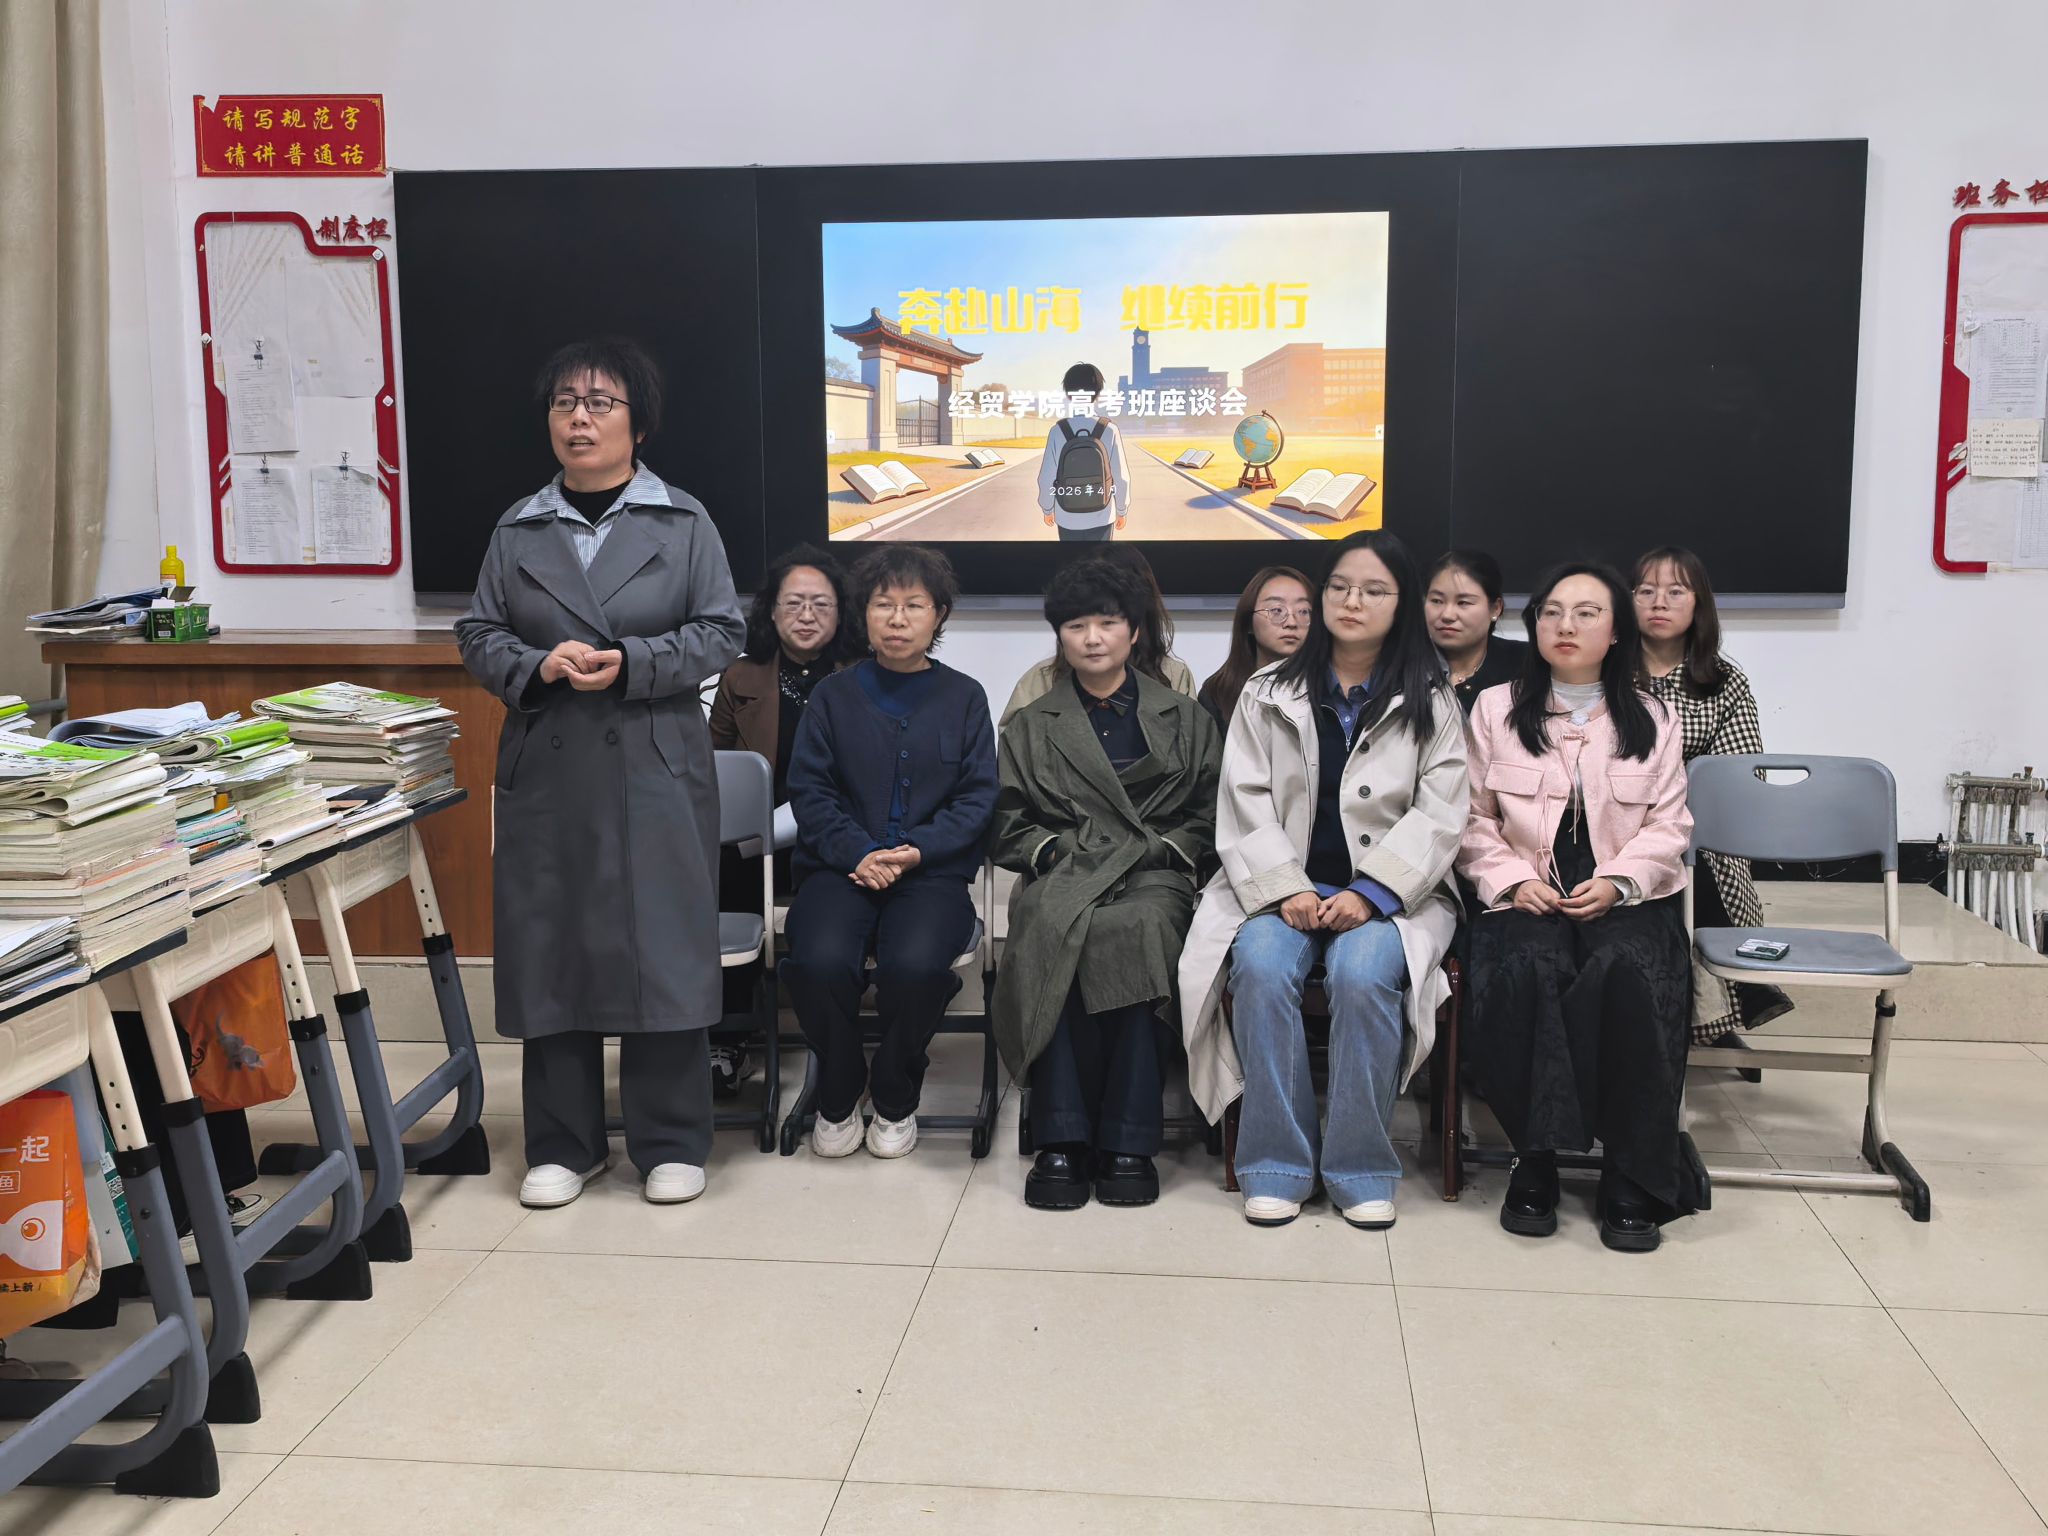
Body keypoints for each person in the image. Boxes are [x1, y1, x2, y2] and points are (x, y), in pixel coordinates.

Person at [457, 336, 745, 1210]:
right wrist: (537, 666)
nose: (578, 420)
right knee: (551, 948)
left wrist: (633, 662)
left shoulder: (684, 522)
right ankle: (564, 1144)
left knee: (663, 946)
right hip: (549, 764)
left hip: (654, 759)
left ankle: (671, 1140)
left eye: (599, 404)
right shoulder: (519, 525)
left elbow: (721, 631)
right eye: (564, 404)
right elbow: (479, 633)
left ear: (637, 425)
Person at [1179, 531, 1468, 1230]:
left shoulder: (1431, 697)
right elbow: (1243, 800)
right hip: (1278, 893)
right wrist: (1288, 888)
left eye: (1373, 590)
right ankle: (1276, 1165)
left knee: (1363, 974)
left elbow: (1441, 812)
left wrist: (1371, 893)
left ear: (1400, 605)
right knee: (1259, 965)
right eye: (1338, 587)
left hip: (1393, 898)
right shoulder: (1266, 691)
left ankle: (1360, 1168)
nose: (1351, 601)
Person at [1459, 563, 1697, 1252]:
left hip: (1625, 894)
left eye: (1587, 613)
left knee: (1628, 970)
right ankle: (1534, 1159)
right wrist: (1511, 882)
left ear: (1616, 631)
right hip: (1525, 892)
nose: (1566, 625)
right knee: (1528, 969)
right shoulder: (1495, 708)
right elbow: (1471, 820)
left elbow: (1670, 826)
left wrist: (1619, 881)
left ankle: (1630, 1168)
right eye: (1552, 611)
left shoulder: (1654, 717)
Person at [993, 559, 1222, 1210]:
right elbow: (1007, 822)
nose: (1092, 638)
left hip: (1151, 874)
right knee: (1054, 924)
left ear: (1134, 631)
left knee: (1140, 928)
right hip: (1066, 869)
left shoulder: (1185, 717)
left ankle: (1128, 1140)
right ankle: (1061, 1139)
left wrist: (1162, 850)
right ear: (1059, 636)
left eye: (1107, 622)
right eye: (1076, 625)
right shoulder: (1032, 723)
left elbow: (1210, 814)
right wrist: (1057, 850)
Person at [782, 544, 998, 1158]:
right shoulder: (832, 696)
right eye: (883, 605)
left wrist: (916, 851)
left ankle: (896, 1093)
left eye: (913, 606)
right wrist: (859, 852)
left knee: (917, 967)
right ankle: (839, 1087)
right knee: (817, 959)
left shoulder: (964, 697)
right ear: (864, 613)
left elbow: (978, 798)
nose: (897, 619)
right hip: (840, 871)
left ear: (939, 615)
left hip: (930, 876)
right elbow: (810, 792)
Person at [705, 544, 862, 1096]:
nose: (806, 615)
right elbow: (715, 768)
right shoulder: (740, 676)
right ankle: (727, 1037)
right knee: (724, 872)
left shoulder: (864, 674)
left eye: (821, 604)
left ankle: (846, 1036)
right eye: (793, 603)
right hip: (759, 838)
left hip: (841, 834)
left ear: (841, 612)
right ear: (771, 611)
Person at [1630, 545, 1791, 1051]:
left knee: (1696, 857)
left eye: (1675, 591)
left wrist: (1673, 803)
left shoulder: (1723, 680)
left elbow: (1737, 776)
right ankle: (1717, 1004)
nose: (1659, 602)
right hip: (1618, 825)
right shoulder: (1606, 672)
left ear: (1698, 604)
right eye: (1646, 591)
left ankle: (1714, 1013)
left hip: (1697, 829)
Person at [1000, 545, 1195, 724]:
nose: (1093, 638)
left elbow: (1193, 742)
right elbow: (1016, 745)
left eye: (1108, 620)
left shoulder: (1173, 675)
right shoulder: (1040, 681)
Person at [1196, 565, 1314, 728]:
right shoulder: (1218, 692)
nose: (1292, 622)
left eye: (1304, 611)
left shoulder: (1330, 688)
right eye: (1277, 610)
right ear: (1248, 622)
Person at [1425, 549, 1528, 716]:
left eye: (1463, 602)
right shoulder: (1403, 667)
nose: (1447, 615)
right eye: (1437, 601)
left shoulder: (1527, 663)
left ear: (1495, 608)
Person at [1035, 362, 1131, 542]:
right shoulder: (1110, 430)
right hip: (1102, 515)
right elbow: (1121, 477)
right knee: (1101, 560)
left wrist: (1047, 509)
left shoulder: (1057, 431)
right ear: (1097, 392)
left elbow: (1046, 477)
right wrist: (1121, 510)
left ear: (1068, 393)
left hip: (1067, 516)